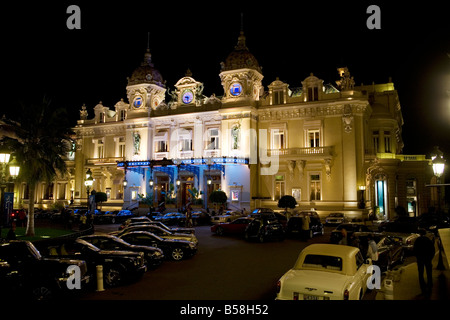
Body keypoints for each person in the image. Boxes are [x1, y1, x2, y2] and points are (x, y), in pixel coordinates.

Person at [413, 228, 435, 297]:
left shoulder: (418, 240)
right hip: (427, 258)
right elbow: (432, 249)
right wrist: (430, 257)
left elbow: (415, 249)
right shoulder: (428, 240)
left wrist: (418, 257)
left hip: (420, 258)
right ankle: (430, 284)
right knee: (429, 272)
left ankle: (422, 286)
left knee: (421, 273)